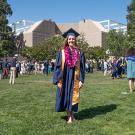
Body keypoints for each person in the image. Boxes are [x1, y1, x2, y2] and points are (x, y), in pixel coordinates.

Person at [52, 28, 85, 124]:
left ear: (75, 40)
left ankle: (72, 115)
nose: (71, 40)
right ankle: (69, 116)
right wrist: (58, 80)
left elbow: (82, 67)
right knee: (65, 97)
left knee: (73, 96)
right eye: (69, 39)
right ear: (67, 40)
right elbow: (57, 67)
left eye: (73, 39)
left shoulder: (79, 52)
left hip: (75, 78)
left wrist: (81, 80)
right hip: (64, 78)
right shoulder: (61, 52)